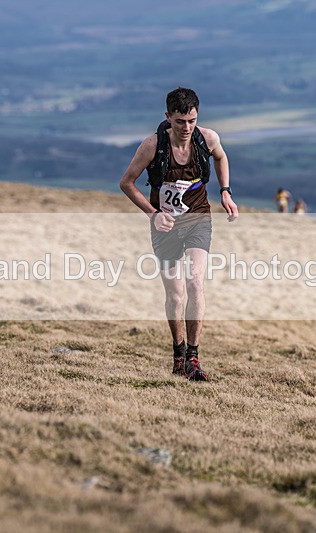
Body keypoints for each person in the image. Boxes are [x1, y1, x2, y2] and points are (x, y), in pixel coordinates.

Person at [119, 87, 238, 382]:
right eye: (180, 122)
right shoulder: (152, 146)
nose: (187, 128)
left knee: (195, 282)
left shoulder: (207, 139)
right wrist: (153, 214)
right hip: (165, 226)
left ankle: (193, 357)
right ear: (168, 117)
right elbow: (127, 183)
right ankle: (178, 355)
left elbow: (221, 158)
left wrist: (225, 192)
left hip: (198, 218)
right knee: (175, 293)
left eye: (192, 121)